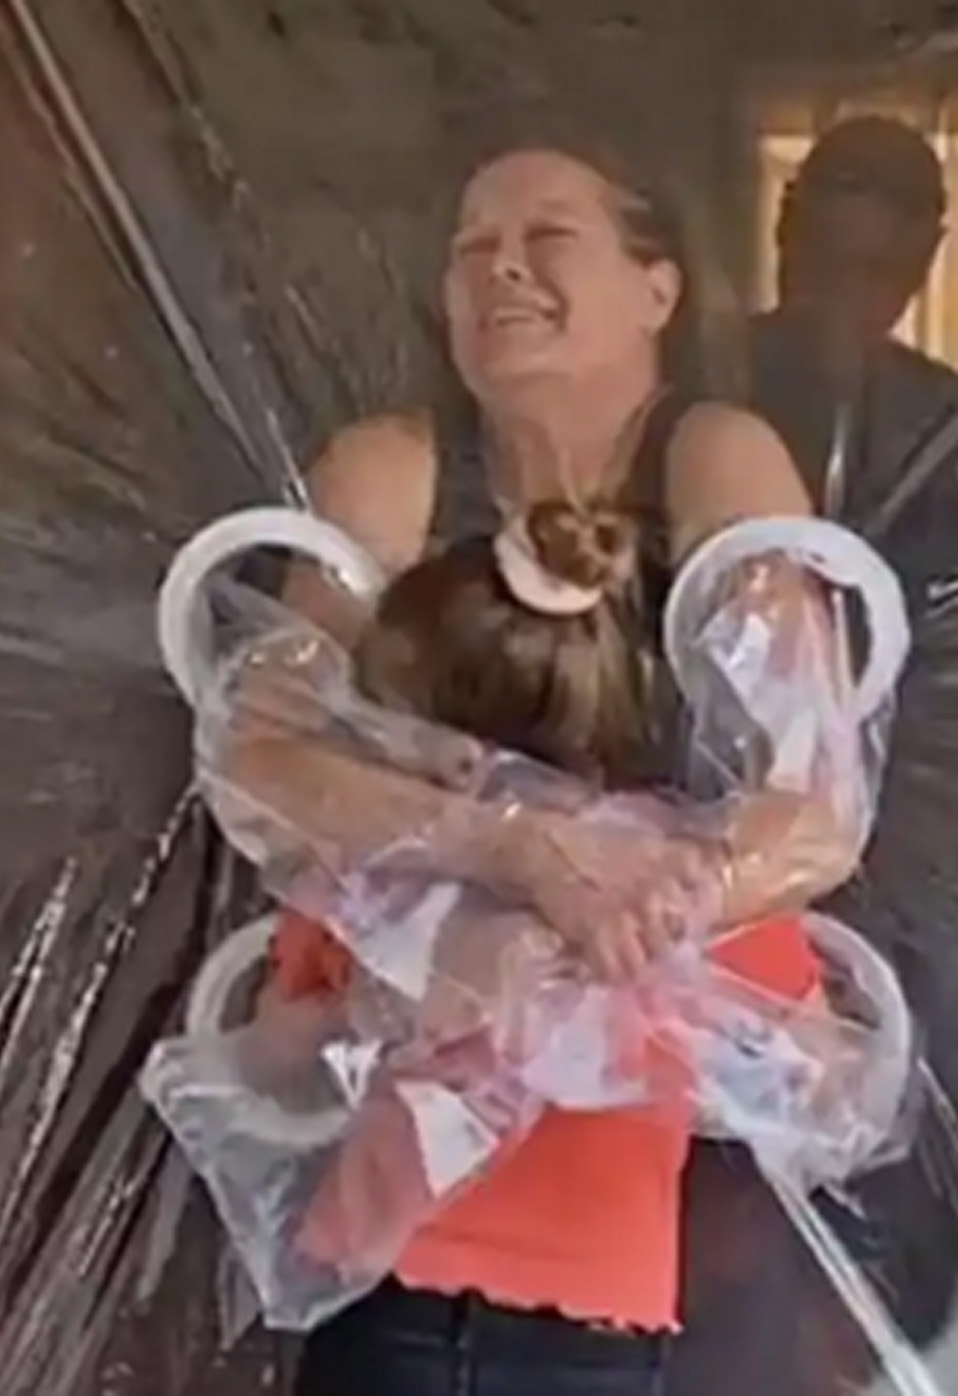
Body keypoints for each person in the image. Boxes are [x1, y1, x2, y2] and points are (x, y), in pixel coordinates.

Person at [215, 127, 870, 1394]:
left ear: (658, 288)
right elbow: (260, 760)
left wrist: (601, 927)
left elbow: (816, 813)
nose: (499, 269)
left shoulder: (713, 457)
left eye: (545, 237)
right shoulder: (391, 470)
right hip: (421, 1243)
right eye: (471, 247)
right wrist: (514, 858)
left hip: (654, 1215)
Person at [255, 500, 836, 1396]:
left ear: (427, 741)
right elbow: (826, 1087)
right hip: (597, 1318)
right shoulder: (686, 883)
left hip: (386, 1293)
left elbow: (273, 1059)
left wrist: (384, 1008)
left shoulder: (375, 868)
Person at [747, 116, 958, 518]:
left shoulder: (950, 423)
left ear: (926, 260)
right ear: (785, 226)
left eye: (877, 273)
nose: (844, 301)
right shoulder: (694, 380)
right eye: (825, 267)